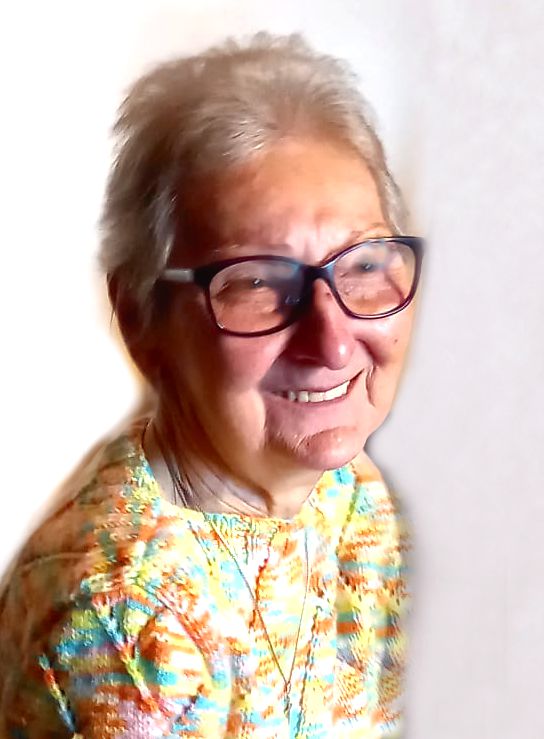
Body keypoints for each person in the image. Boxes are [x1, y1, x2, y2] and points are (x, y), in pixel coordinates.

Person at [0, 32, 423, 738]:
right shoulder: (125, 625)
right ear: (141, 319)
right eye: (257, 283)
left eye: (363, 265)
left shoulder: (353, 498)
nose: (333, 341)